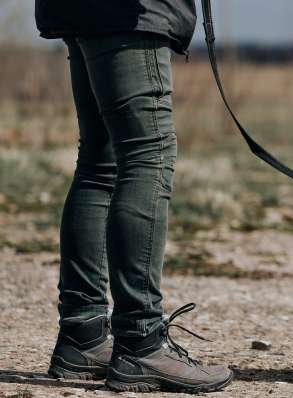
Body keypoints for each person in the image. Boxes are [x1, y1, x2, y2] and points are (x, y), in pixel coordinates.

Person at [34, 0, 233, 393]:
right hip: (131, 11)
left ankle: (83, 333)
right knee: (149, 155)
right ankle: (141, 341)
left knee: (100, 158)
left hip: (82, 10)